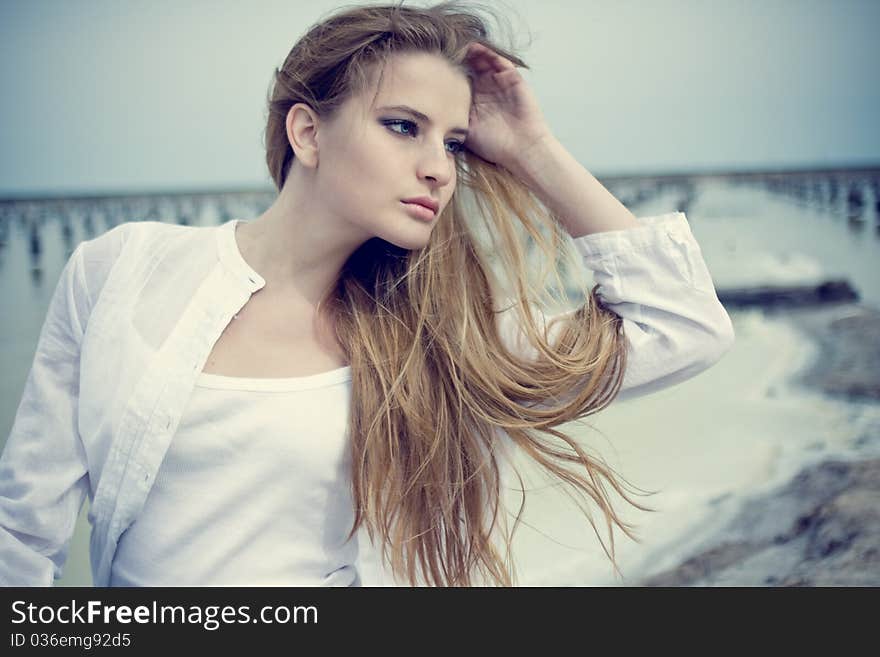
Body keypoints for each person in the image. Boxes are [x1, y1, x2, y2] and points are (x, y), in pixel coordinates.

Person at [0, 1, 734, 587]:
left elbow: (685, 326)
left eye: (451, 143)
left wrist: (531, 149)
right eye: (402, 127)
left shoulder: (448, 337)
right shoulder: (121, 268)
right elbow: (22, 531)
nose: (438, 169)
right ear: (307, 132)